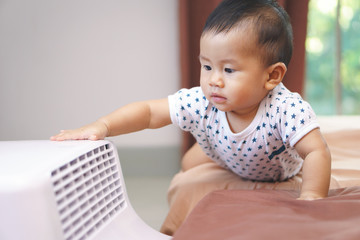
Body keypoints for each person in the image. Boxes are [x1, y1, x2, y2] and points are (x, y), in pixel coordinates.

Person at [51, 0, 331, 201]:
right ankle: (217, 150)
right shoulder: (202, 100)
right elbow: (149, 112)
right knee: (188, 165)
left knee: (194, 162)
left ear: (272, 76)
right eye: (207, 66)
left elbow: (317, 152)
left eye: (229, 70)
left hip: (275, 171)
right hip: (225, 155)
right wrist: (103, 126)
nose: (214, 80)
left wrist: (312, 196)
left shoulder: (287, 110)